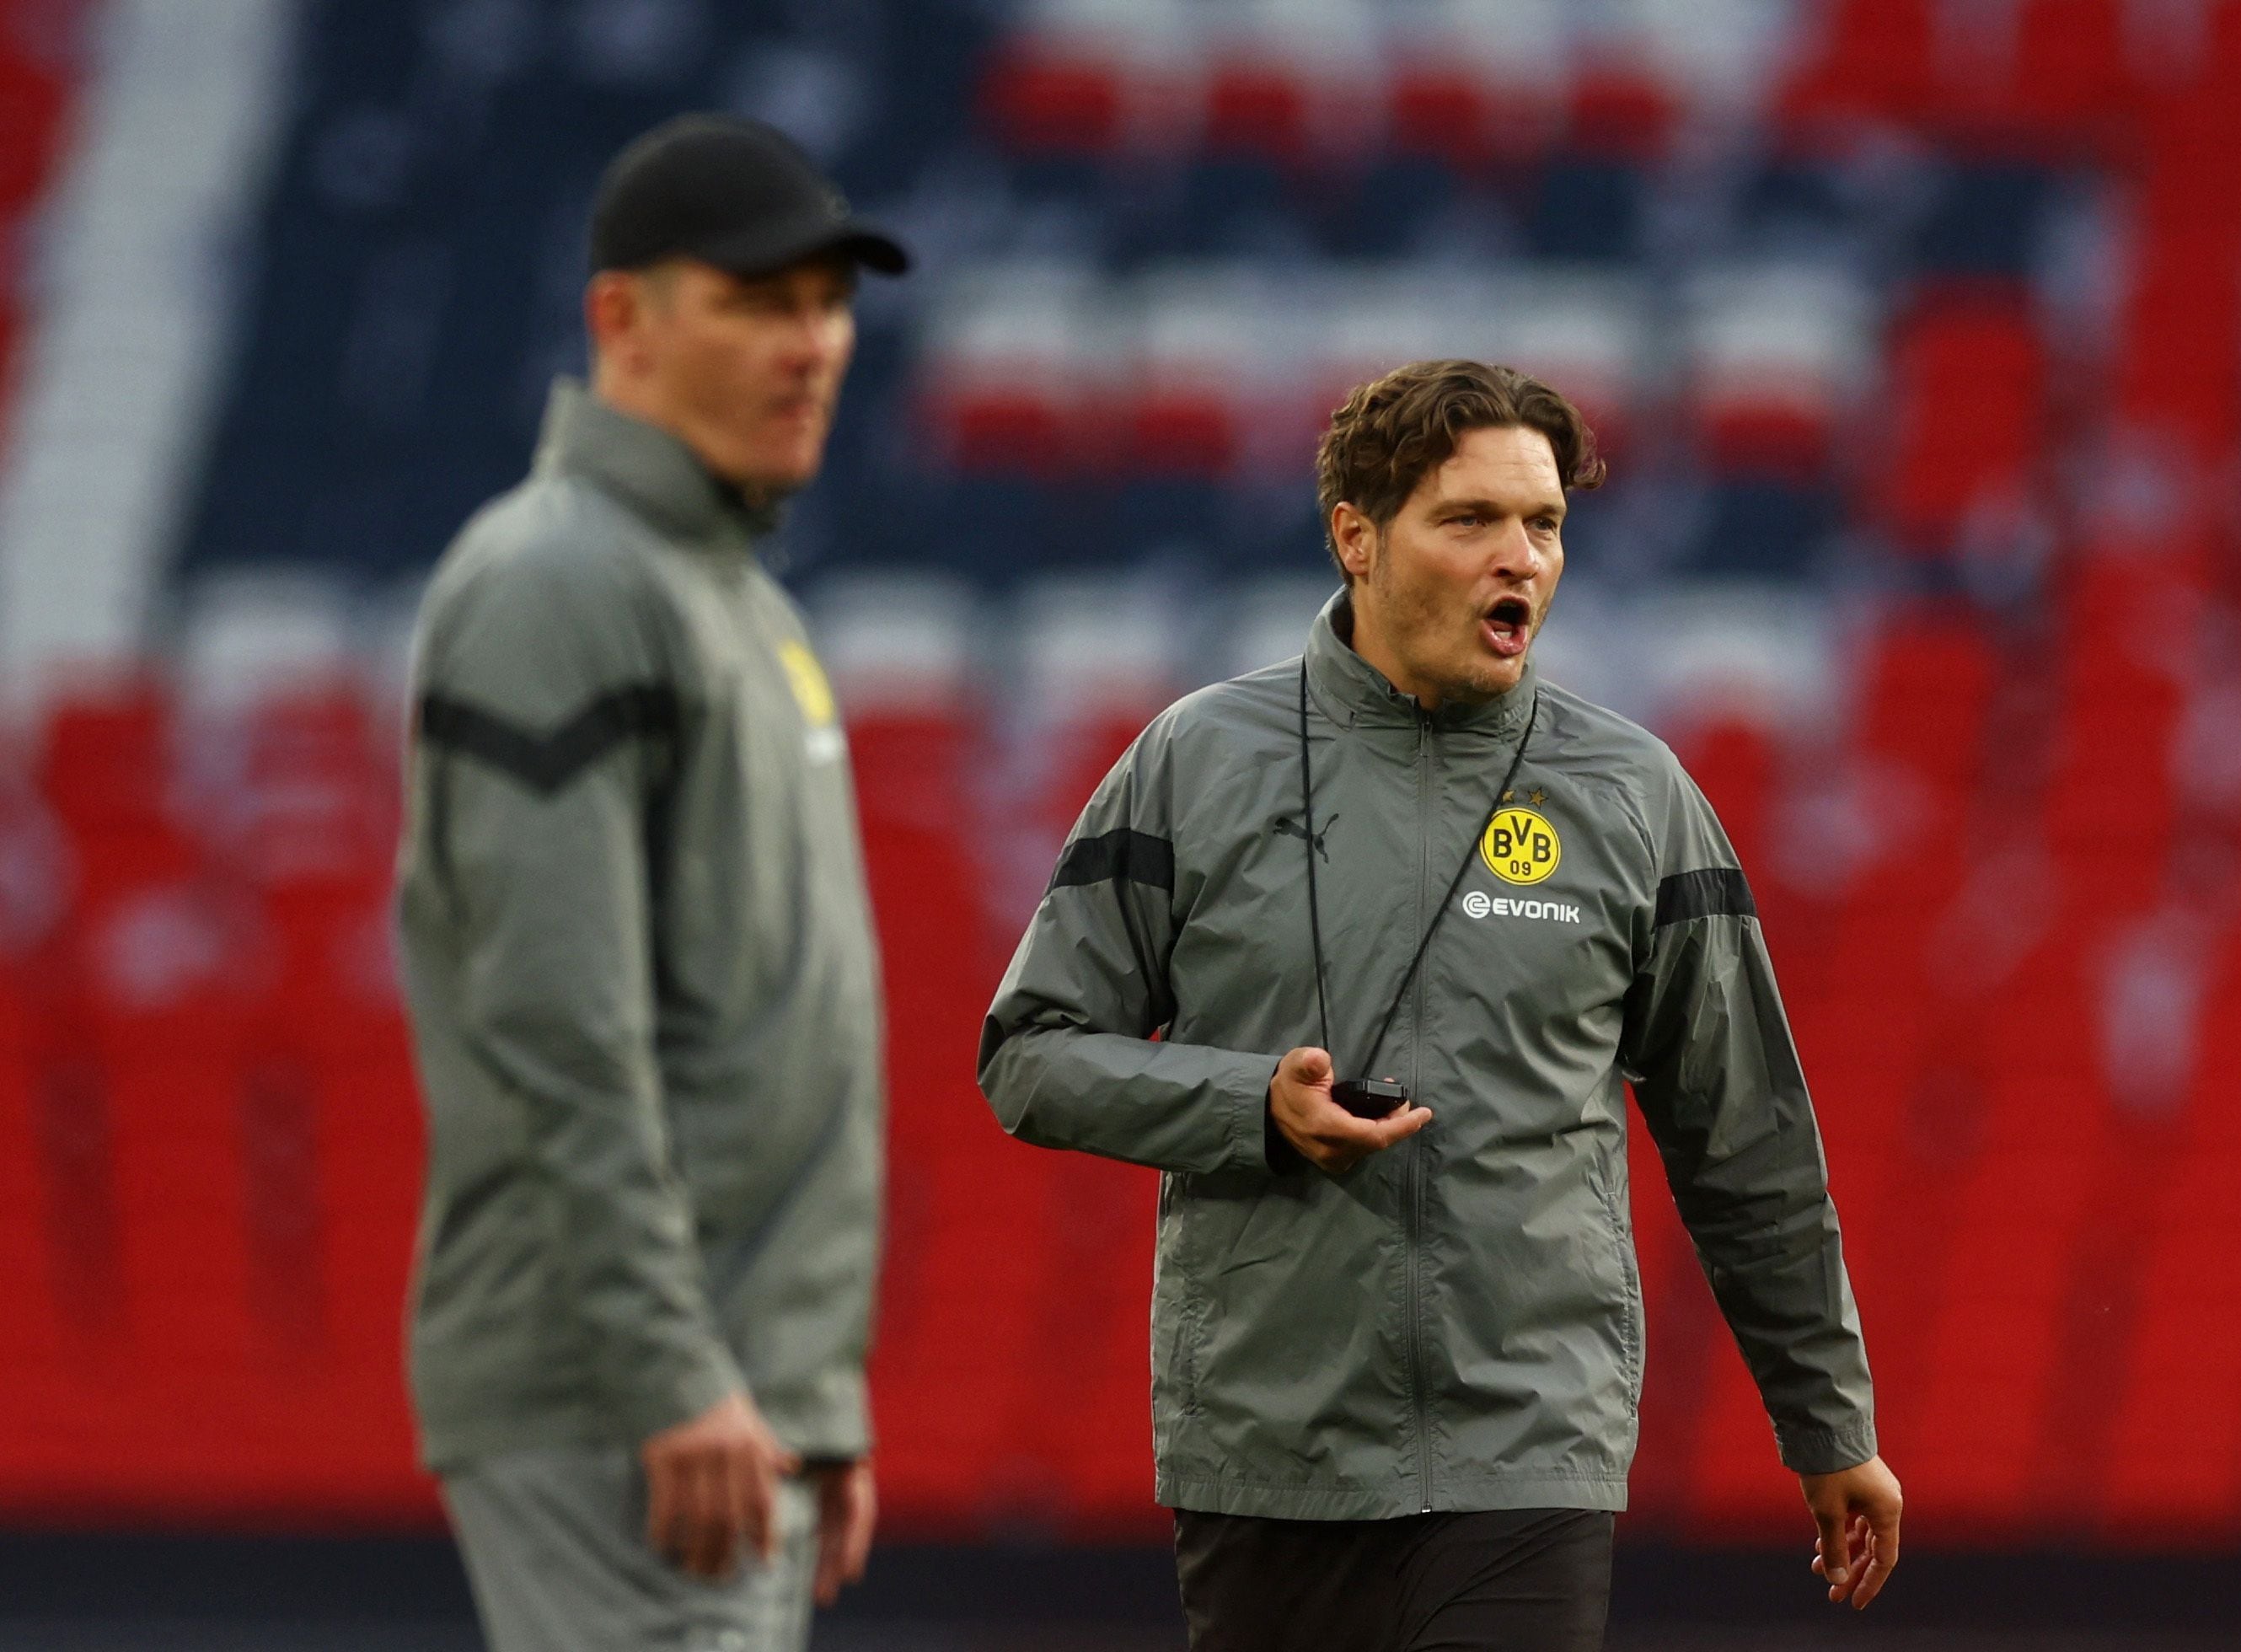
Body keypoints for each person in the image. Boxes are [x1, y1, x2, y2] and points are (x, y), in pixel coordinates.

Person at [978, 360, 1901, 1650]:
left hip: (1524, 1450)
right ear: (1356, 537)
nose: (1516, 557)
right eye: (1469, 520)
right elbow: (1028, 1055)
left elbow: (1746, 1141)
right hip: (1264, 1448)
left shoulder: (1633, 796)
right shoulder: (1194, 763)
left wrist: (1827, 1426)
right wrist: (1250, 1104)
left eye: (1543, 525)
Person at [394, 114, 908, 1652]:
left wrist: (807, 1388)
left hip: (728, 1388)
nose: (811, 343)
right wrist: (671, 1370)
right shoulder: (559, 579)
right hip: (623, 1391)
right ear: (619, 319)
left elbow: (755, 1021)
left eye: (828, 301)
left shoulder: (725, 596)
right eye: (757, 301)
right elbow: (557, 1019)